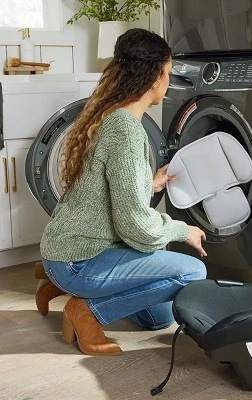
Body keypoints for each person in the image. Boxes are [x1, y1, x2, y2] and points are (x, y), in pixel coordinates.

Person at [39, 28, 207, 356]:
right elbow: (135, 227)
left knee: (158, 318)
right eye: (169, 73)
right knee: (192, 272)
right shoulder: (126, 131)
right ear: (156, 77)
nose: (168, 81)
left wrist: (149, 183)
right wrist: (181, 230)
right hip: (79, 259)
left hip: (71, 250)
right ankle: (85, 309)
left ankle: (62, 283)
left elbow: (106, 190)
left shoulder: (113, 115)